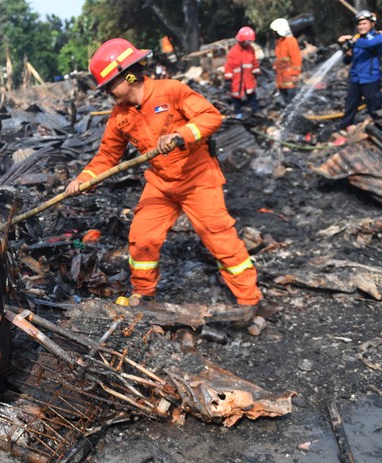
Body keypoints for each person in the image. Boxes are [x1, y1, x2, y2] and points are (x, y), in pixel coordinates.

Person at [66, 38, 262, 312]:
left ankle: (249, 302)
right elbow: (107, 156)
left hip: (198, 178)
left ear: (129, 75)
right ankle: (144, 293)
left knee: (219, 237)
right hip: (161, 183)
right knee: (142, 237)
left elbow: (210, 117)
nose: (107, 91)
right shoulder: (118, 117)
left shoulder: (171, 90)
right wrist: (83, 179)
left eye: (110, 83)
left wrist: (181, 135)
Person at [337, 10, 382, 130]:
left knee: (374, 107)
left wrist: (353, 40)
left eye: (365, 23)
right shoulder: (356, 40)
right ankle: (343, 129)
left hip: (371, 78)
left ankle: (380, 131)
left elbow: (369, 44)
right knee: (350, 106)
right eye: (359, 24)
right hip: (355, 78)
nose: (361, 26)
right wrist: (347, 53)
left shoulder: (377, 37)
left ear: (372, 24)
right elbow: (346, 61)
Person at [223, 26, 261, 119]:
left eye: (250, 41)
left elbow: (254, 62)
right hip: (237, 80)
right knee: (236, 98)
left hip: (248, 79)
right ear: (241, 40)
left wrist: (256, 72)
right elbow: (229, 66)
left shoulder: (251, 49)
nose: (248, 43)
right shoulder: (233, 52)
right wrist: (228, 80)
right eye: (247, 41)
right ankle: (238, 114)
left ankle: (257, 112)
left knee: (252, 97)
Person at [270, 18, 302, 103]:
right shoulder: (280, 42)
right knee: (285, 98)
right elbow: (280, 58)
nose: (273, 33)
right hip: (281, 76)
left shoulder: (291, 41)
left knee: (292, 98)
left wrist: (295, 74)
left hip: (289, 75)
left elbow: (296, 58)